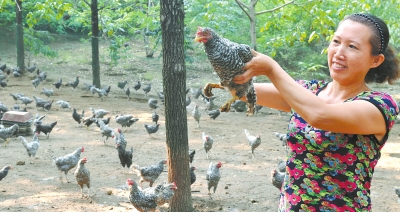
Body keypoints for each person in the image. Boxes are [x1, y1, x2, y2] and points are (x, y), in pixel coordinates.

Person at [234, 13, 400, 211]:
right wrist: (220, 52)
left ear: (376, 60)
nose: (339, 52)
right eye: (336, 41)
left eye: (352, 46)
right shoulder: (309, 91)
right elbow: (242, 91)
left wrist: (271, 69)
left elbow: (320, 116)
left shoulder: (379, 105)